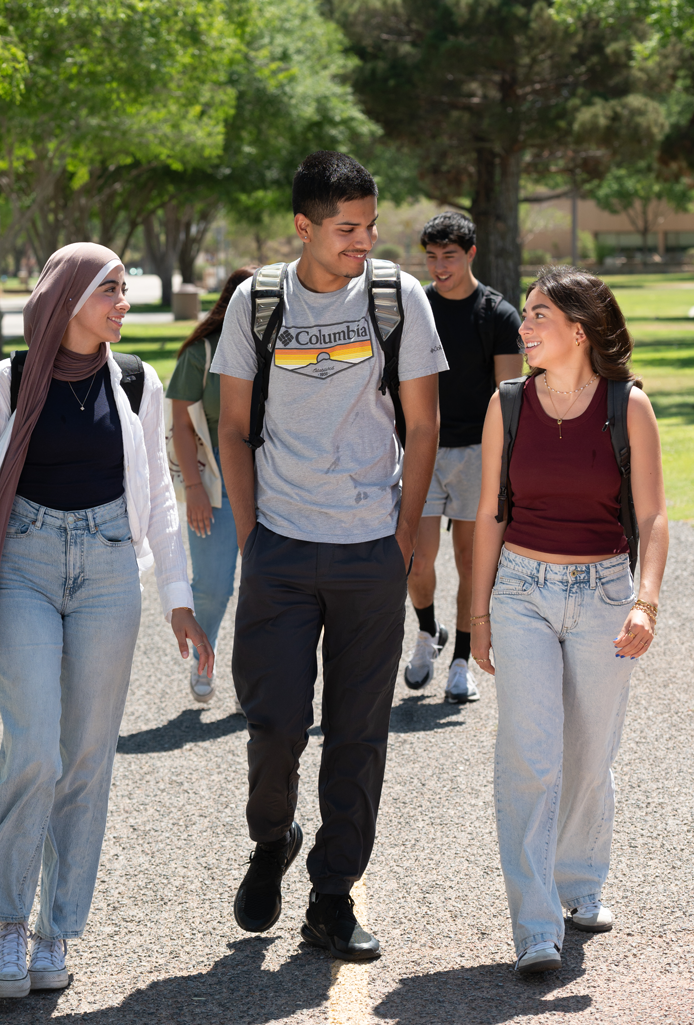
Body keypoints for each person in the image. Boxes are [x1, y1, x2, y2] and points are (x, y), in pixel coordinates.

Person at [0, 243, 213, 999]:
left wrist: (179, 598)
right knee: (33, 748)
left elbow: (157, 494)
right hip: (23, 563)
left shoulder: (135, 379)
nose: (123, 304)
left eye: (125, 290)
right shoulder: (9, 380)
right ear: (68, 297)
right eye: (110, 291)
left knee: (87, 755)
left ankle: (57, 927)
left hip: (107, 571)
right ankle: (8, 923)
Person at [213, 151, 447, 961]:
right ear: (304, 227)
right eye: (347, 228)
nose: (365, 240)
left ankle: (332, 896)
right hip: (279, 545)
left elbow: (423, 426)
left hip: (367, 551)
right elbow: (232, 426)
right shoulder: (258, 300)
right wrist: (251, 535)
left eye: (371, 225)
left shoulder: (396, 296)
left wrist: (401, 528)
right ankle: (272, 838)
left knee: (359, 733)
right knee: (273, 722)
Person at [470, 267, 668, 974]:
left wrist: (645, 600)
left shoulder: (628, 405)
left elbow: (652, 516)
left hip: (606, 591)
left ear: (577, 331)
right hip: (522, 589)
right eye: (524, 314)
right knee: (530, 754)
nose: (523, 327)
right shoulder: (508, 404)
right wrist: (480, 615)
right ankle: (535, 926)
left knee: (589, 751)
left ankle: (579, 882)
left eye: (538, 315)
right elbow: (491, 512)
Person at [404, 212, 523, 703]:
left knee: (472, 563)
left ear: (471, 254)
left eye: (448, 257)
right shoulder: (417, 308)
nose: (438, 267)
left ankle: (461, 661)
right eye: (431, 257)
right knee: (418, 561)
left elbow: (509, 397)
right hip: (424, 450)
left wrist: (502, 466)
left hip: (479, 453)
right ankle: (428, 634)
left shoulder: (498, 315)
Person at [166, 267, 255, 703]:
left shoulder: (280, 348)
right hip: (215, 478)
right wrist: (195, 489)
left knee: (264, 584)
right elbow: (181, 424)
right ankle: (206, 658)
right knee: (213, 586)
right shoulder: (201, 352)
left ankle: (251, 681)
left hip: (271, 476)